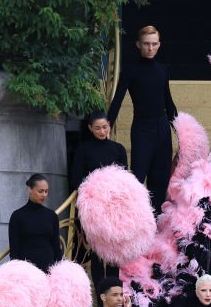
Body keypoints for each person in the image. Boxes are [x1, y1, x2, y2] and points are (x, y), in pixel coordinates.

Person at [107, 25, 179, 213]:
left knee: (161, 179)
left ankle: (156, 225)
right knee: (138, 177)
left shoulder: (162, 69)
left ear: (159, 45)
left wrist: (181, 130)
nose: (150, 48)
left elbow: (168, 101)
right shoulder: (131, 69)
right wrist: (107, 124)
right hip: (142, 129)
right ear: (138, 45)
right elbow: (118, 99)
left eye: (154, 44)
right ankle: (138, 222)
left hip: (162, 128)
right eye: (146, 44)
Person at [8, 173, 63, 307]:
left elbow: (56, 248)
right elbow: (15, 251)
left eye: (46, 191)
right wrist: (20, 278)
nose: (44, 195)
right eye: (40, 191)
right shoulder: (18, 217)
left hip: (48, 275)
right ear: (29, 189)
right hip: (27, 277)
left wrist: (58, 274)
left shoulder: (51, 216)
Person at [69, 111, 128, 285]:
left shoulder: (118, 149)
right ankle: (101, 298)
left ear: (109, 125)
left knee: (114, 253)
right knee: (96, 252)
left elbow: (125, 178)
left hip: (114, 206)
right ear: (90, 128)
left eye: (104, 127)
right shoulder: (83, 149)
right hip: (94, 207)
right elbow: (76, 180)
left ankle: (114, 296)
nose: (102, 131)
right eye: (97, 128)